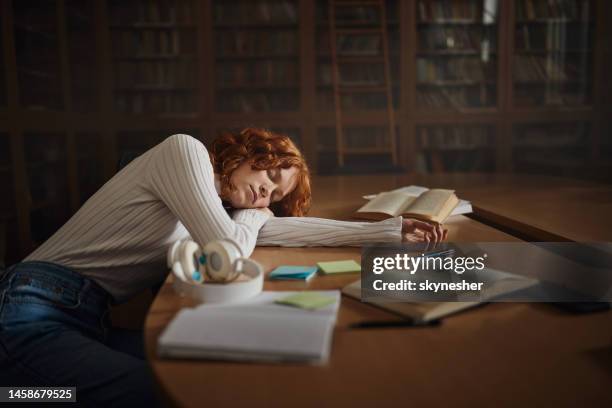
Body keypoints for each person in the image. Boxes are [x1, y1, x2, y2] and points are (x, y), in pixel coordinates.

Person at [0, 128, 447, 406]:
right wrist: (256, 216)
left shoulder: (214, 208)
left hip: (82, 318)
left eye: (275, 195)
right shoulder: (185, 152)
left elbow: (270, 234)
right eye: (270, 176)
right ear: (251, 152)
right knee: (155, 394)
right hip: (28, 309)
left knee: (201, 374)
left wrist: (388, 232)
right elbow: (229, 254)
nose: (265, 194)